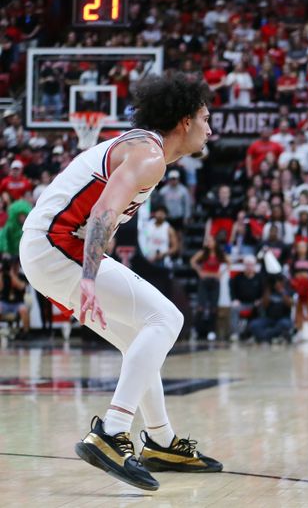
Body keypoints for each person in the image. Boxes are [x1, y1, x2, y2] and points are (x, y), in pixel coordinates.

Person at [19, 73, 221, 490]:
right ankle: (112, 431)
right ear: (184, 121)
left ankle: (162, 441)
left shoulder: (144, 147)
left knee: (139, 341)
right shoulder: (149, 156)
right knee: (166, 319)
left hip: (52, 248)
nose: (210, 128)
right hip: (56, 246)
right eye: (205, 117)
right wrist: (90, 278)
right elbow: (101, 215)